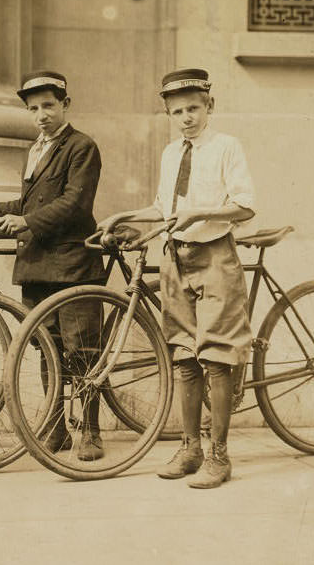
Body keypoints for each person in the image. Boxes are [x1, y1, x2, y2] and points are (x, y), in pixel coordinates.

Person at [99, 68, 256, 488]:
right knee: (185, 357)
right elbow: (163, 208)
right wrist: (124, 215)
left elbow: (243, 206)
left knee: (216, 358)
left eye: (193, 108)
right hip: (175, 260)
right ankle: (190, 449)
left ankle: (219, 456)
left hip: (216, 258)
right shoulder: (171, 153)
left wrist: (202, 213)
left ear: (209, 107)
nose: (186, 117)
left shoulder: (227, 148)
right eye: (177, 111)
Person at [0, 70, 105, 461]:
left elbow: (74, 204)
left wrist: (27, 222)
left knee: (83, 351)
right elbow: (30, 203)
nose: (42, 114)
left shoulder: (82, 146)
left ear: (66, 104)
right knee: (49, 350)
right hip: (37, 265)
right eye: (33, 108)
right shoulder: (36, 149)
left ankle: (91, 431)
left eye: (49, 105)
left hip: (72, 262)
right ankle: (56, 426)